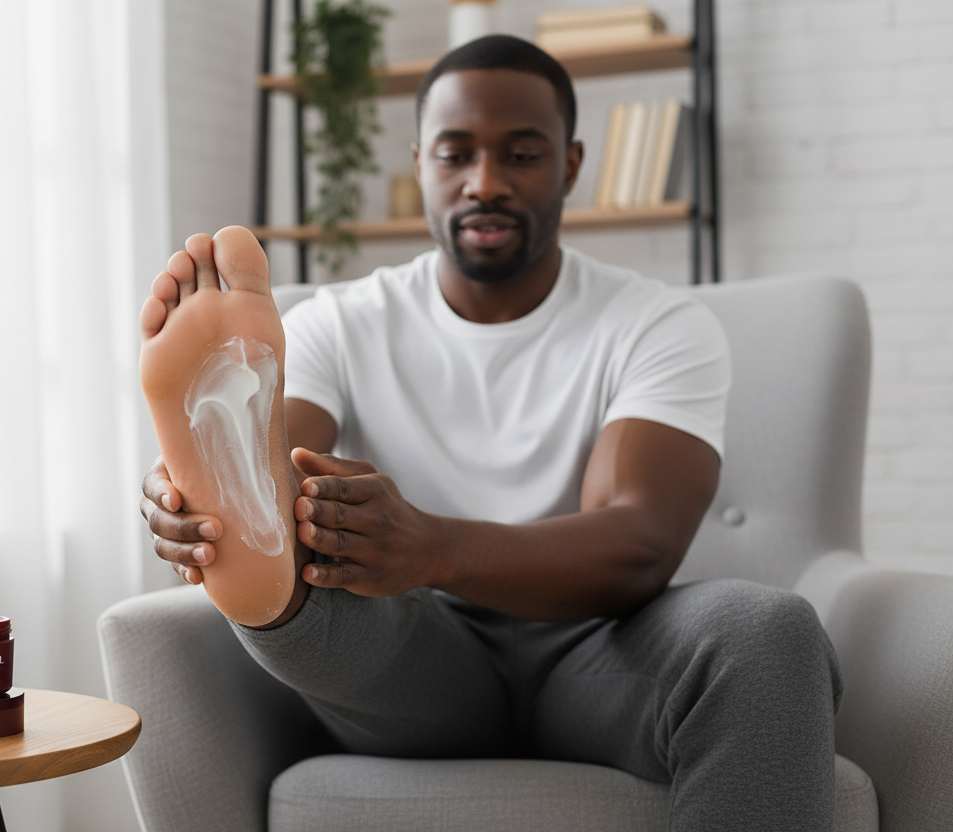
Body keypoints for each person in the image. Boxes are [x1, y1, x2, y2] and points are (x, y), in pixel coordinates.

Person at [138, 35, 842, 832]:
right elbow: (295, 474)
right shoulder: (340, 322)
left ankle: (244, 495)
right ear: (419, 164)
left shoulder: (656, 322)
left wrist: (431, 547)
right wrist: (205, 505)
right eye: (455, 154)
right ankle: (239, 504)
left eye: (522, 154)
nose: (486, 182)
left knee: (768, 630)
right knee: (282, 539)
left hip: (603, 652)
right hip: (411, 656)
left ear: (571, 165)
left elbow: (639, 545)